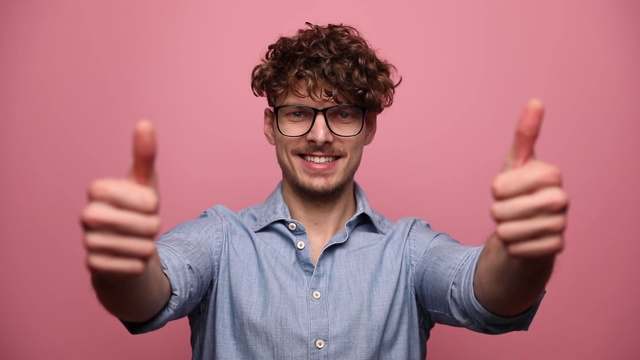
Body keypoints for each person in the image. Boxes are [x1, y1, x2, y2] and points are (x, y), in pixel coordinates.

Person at [81, 23, 568, 359]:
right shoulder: (220, 239)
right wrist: (124, 267)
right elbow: (148, 294)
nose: (319, 135)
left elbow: (485, 294)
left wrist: (522, 252)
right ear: (270, 126)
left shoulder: (409, 251)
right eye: (298, 113)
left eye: (342, 113)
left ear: (369, 127)